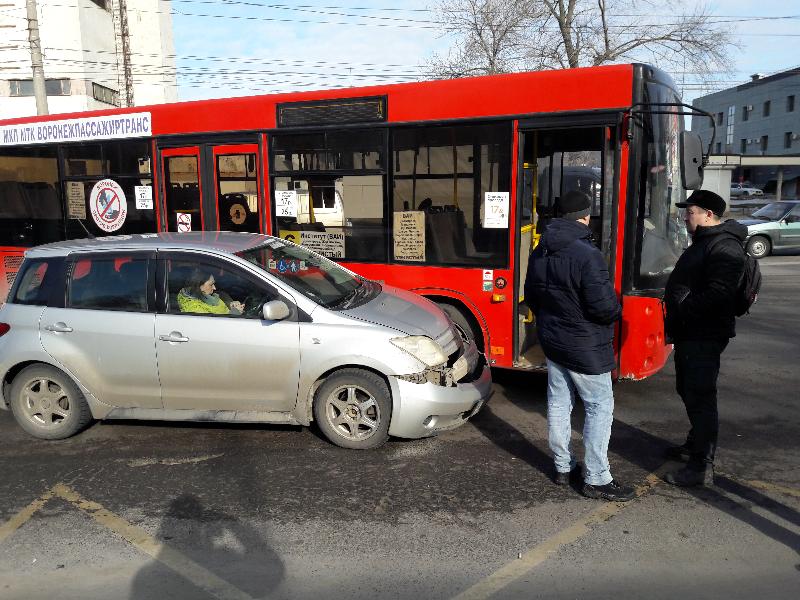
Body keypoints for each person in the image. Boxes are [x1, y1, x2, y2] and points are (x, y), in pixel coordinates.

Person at [524, 190, 634, 502]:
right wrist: (615, 311)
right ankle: (597, 478)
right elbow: (604, 308)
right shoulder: (588, 254)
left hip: (554, 341)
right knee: (599, 407)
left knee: (559, 403)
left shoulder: (540, 248)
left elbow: (531, 296)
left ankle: (562, 467)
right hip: (585, 346)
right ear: (585, 216)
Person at [663, 190, 747, 487]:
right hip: (692, 332)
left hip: (704, 334)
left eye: (691, 211)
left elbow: (720, 293)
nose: (686, 216)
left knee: (700, 396)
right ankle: (694, 444)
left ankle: (702, 465)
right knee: (688, 390)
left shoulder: (725, 247)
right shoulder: (707, 241)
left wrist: (684, 307)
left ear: (708, 215)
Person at [177, 269, 245, 315]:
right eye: (211, 284)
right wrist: (235, 313)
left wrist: (230, 305)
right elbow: (215, 327)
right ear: (199, 286)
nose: (214, 288)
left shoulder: (206, 297)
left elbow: (219, 310)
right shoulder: (194, 309)